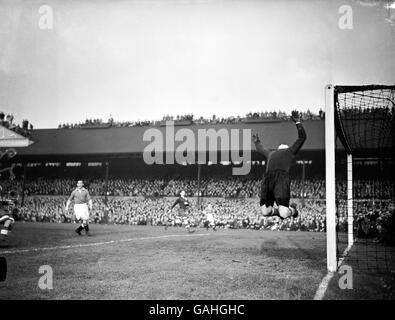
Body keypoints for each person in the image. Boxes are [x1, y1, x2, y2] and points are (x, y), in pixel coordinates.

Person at [252, 110, 306, 219]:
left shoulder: (289, 152)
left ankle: (293, 211)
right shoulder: (271, 154)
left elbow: (302, 138)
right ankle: (281, 211)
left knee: (284, 213)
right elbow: (260, 149)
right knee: (265, 212)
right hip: (268, 179)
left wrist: (298, 123)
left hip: (280, 179)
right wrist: (256, 142)